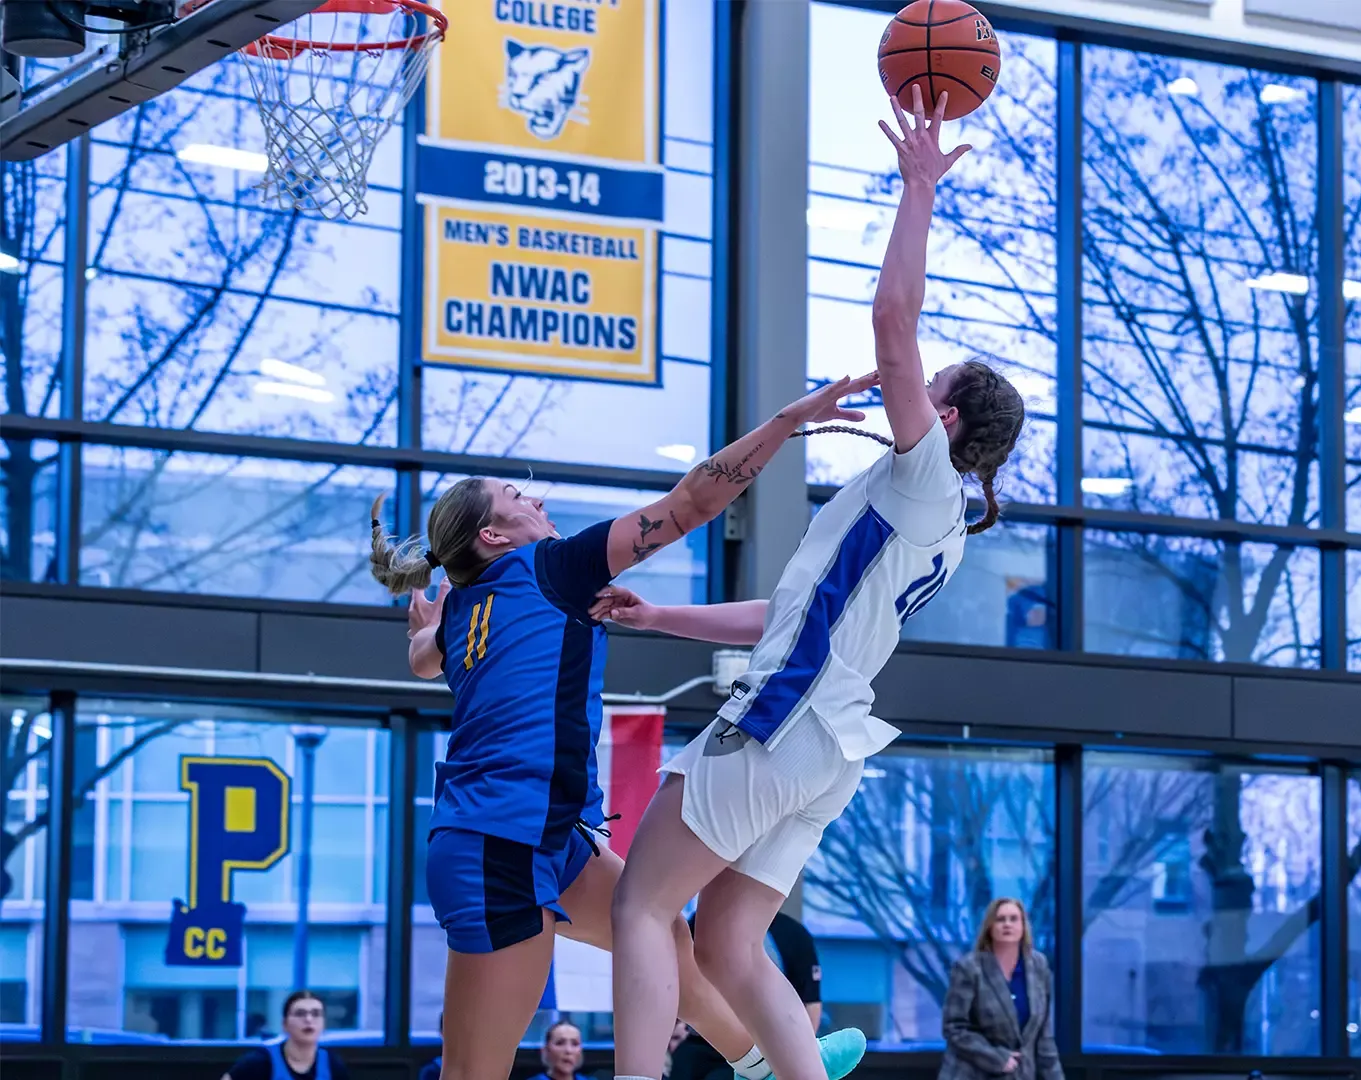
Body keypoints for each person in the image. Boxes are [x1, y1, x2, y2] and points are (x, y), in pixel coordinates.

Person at [604, 83, 1027, 1080]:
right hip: (827, 748)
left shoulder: (924, 476)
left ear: (950, 419)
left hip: (784, 721)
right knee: (728, 944)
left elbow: (893, 313)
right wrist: (661, 615)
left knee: (641, 905)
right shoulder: (938, 527)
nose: (907, 385)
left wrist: (918, 186)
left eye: (930, 385)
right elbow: (786, 614)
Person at [373, 373, 878, 1080]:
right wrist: (787, 422)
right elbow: (693, 501)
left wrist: (422, 634)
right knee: (473, 1073)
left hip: (549, 836)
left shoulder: (463, 607)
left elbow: (425, 662)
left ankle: (766, 1063)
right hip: (497, 845)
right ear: (494, 534)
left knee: (666, 932)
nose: (537, 499)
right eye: (519, 498)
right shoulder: (549, 567)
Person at [673, 913, 826, 1080]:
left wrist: (800, 1057)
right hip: (701, 1039)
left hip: (762, 1044)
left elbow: (810, 1004)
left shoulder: (791, 934)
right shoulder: (700, 922)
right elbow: (679, 977)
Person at [938, 898, 1063, 1080]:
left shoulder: (1039, 966)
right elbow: (954, 1027)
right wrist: (996, 1058)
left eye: (1013, 919)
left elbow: (1043, 1035)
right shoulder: (969, 968)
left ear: (1023, 926)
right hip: (972, 1073)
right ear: (990, 926)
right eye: (1000, 919)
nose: (1007, 924)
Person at [222, 991, 348, 1080]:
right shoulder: (260, 1062)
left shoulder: (332, 1064)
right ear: (285, 1024)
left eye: (316, 1014)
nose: (309, 1019)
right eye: (300, 1014)